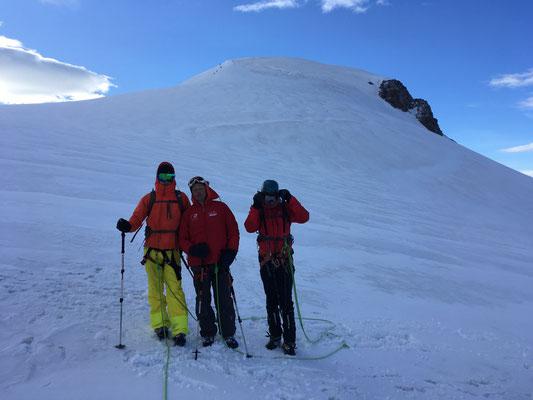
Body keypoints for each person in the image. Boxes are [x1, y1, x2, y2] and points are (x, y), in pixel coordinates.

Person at [116, 162, 191, 347]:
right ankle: (160, 325)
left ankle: (180, 329)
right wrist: (127, 226)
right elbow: (136, 219)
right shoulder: (149, 199)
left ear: (174, 179)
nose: (166, 181)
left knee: (175, 291)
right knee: (155, 291)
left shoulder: (182, 199)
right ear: (157, 178)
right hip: (152, 253)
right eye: (163, 177)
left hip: (173, 254)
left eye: (170, 178)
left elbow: (190, 224)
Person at [244, 180, 309, 356]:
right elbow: (249, 227)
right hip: (266, 261)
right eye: (267, 197)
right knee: (272, 300)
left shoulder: (286, 209)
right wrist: (256, 207)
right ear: (262, 195)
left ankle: (289, 340)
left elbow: (304, 217)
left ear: (278, 195)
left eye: (273, 197)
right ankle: (275, 336)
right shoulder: (260, 209)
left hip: (285, 260)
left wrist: (291, 199)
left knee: (286, 301)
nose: (270, 201)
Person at [179, 176, 240, 349]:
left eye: (200, 187)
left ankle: (228, 333)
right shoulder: (189, 213)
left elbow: (233, 231)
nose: (198, 191)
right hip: (199, 265)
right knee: (202, 300)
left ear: (207, 188)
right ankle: (207, 333)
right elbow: (182, 238)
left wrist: (231, 252)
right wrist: (192, 249)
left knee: (224, 299)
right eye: (194, 189)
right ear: (191, 193)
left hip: (220, 262)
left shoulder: (221, 207)